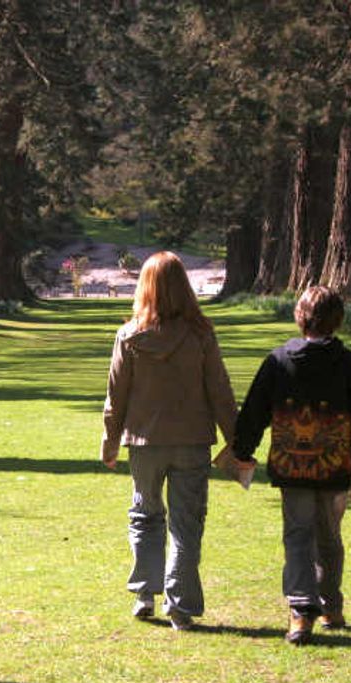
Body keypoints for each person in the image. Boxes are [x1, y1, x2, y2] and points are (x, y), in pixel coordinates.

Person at [232, 285, 351, 645]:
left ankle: (301, 610)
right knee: (329, 537)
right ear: (338, 320)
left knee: (298, 535)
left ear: (300, 318)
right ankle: (330, 606)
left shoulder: (278, 361)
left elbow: (254, 410)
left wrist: (243, 449)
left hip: (292, 466)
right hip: (334, 467)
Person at [101, 251, 238, 631]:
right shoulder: (201, 335)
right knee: (186, 523)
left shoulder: (129, 336)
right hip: (192, 441)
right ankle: (180, 605)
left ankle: (145, 592)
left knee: (145, 515)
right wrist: (236, 440)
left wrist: (110, 442)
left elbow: (116, 396)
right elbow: (220, 392)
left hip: (144, 443)